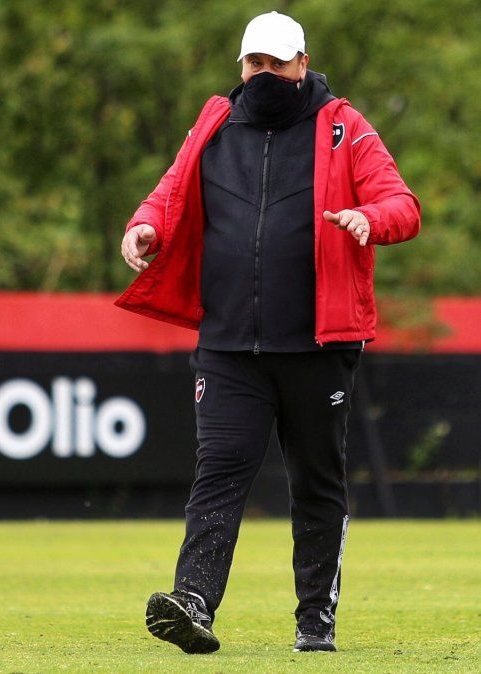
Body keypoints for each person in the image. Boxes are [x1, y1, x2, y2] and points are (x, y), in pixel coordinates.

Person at [116, 11, 421, 654]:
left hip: (318, 344)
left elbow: (403, 205)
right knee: (219, 472)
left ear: (302, 64)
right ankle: (193, 602)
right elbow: (170, 192)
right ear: (242, 65)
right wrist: (145, 226)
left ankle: (315, 620)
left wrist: (370, 218)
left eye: (277, 63)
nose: (264, 74)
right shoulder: (215, 122)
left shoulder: (345, 127)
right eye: (254, 62)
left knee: (316, 483)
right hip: (228, 343)